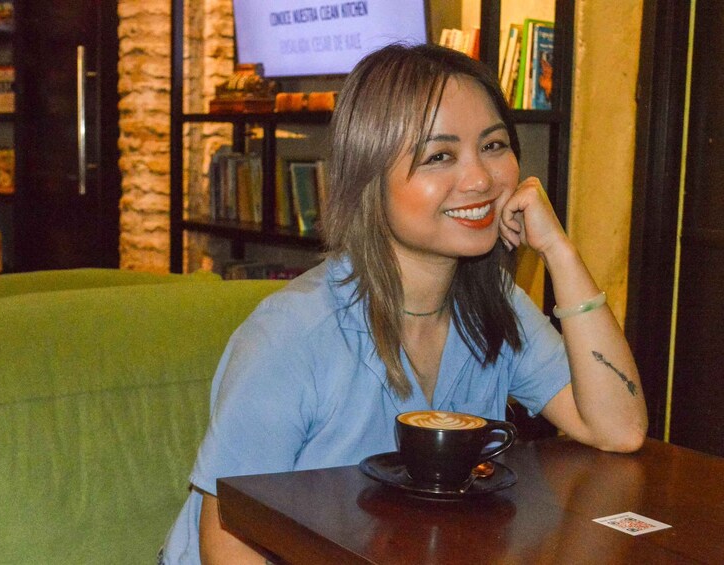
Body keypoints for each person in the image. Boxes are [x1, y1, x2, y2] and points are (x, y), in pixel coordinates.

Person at [160, 42, 648, 564]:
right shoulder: (291, 334)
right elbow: (228, 538)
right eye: (440, 156)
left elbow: (618, 429)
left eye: (493, 145)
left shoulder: (495, 305)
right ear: (369, 176)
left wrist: (559, 252)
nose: (481, 179)